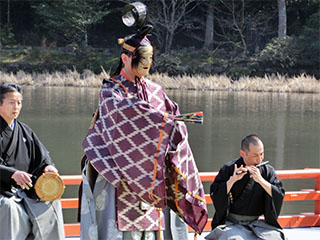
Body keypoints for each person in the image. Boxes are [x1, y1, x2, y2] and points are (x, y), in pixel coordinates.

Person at [79, 7, 207, 240]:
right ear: (125, 58)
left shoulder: (156, 91)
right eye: (141, 61)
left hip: (153, 175)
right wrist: (159, 121)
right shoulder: (111, 90)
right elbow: (125, 115)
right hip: (118, 172)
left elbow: (172, 119)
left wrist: (174, 126)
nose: (146, 68)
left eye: (149, 62)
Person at [0, 83, 65, 239]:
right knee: (8, 208)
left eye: (19, 102)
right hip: (2, 191)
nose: (16, 107)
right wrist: (12, 174)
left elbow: (41, 156)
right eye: (11, 102)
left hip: (26, 190)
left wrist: (48, 167)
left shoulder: (24, 130)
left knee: (52, 203)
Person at [206, 134, 286, 240]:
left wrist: (261, 181)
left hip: (257, 224)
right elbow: (216, 194)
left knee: (275, 237)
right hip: (232, 224)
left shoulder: (267, 171)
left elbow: (279, 194)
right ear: (243, 153)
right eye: (255, 155)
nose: (259, 159)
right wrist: (233, 180)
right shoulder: (229, 169)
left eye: (262, 154)